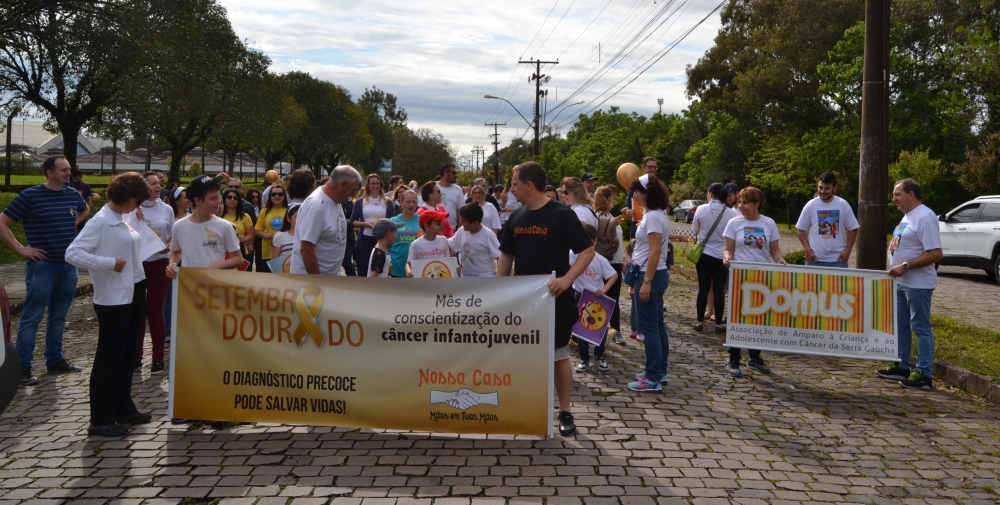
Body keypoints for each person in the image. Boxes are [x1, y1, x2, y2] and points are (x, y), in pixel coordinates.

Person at [498, 161, 594, 436]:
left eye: (514, 183)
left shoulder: (562, 214)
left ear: (529, 185)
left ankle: (565, 411)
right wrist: (498, 289)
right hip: (524, 301)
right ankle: (528, 407)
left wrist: (567, 280)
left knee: (558, 354)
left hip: (555, 299)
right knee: (524, 354)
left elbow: (587, 251)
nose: (511, 189)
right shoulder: (516, 217)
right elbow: (506, 255)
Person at [66, 172, 153, 437]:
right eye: (138, 201)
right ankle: (100, 418)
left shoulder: (122, 217)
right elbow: (73, 253)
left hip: (133, 289)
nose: (138, 206)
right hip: (113, 296)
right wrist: (109, 263)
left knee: (126, 355)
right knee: (109, 358)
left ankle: (122, 406)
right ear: (127, 197)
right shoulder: (101, 221)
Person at [0, 155, 89, 385]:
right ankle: (22, 369)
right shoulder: (30, 196)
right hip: (42, 267)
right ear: (50, 172)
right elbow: (2, 222)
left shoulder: (71, 194)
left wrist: (72, 224)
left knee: (59, 316)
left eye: (69, 169)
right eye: (64, 170)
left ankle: (54, 360)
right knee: (32, 317)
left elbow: (85, 208)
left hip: (68, 265)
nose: (69, 173)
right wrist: (21, 249)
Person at [877, 178, 943, 390]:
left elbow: (935, 253)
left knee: (920, 327)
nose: (894, 198)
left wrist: (905, 265)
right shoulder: (908, 216)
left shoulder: (925, 217)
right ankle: (901, 366)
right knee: (901, 326)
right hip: (901, 282)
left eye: (897, 194)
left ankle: (924, 373)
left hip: (918, 283)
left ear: (911, 194)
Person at [722, 187, 786, 377]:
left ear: (757, 204)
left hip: (762, 279)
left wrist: (780, 261)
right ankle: (734, 359)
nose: (740, 206)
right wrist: (726, 258)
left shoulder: (769, 223)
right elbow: (728, 249)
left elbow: (774, 251)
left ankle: (754, 357)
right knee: (737, 319)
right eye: (739, 202)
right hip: (740, 278)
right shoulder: (733, 223)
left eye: (745, 203)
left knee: (758, 320)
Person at [626, 174, 672, 393]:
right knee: (657, 326)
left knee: (649, 328)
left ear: (647, 193)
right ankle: (658, 371)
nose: (634, 195)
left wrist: (646, 282)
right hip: (655, 273)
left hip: (650, 274)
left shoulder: (653, 216)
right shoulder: (655, 214)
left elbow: (654, 252)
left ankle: (653, 378)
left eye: (637, 191)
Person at [165, 175, 245, 281]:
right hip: (188, 286)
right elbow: (176, 252)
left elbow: (238, 259)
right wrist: (172, 265)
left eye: (219, 197)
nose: (219, 202)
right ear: (197, 201)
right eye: (213, 198)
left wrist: (217, 266)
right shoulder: (179, 226)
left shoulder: (224, 226)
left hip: (214, 286)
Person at [133, 172, 175, 375]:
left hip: (160, 264)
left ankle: (158, 358)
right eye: (153, 184)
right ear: (143, 186)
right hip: (138, 264)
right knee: (139, 312)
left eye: (159, 183)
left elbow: (173, 237)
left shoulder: (167, 209)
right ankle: (136, 357)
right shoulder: (133, 209)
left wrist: (165, 247)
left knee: (155, 310)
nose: (158, 187)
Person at [291, 165, 362, 275]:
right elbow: (306, 250)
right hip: (313, 284)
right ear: (343, 184)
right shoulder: (316, 205)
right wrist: (320, 283)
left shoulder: (335, 201)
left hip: (329, 279)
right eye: (353, 189)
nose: (353, 194)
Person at [572, 223, 619, 374]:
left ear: (595, 241)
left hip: (597, 299)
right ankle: (583, 359)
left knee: (600, 330)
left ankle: (599, 356)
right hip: (579, 296)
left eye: (588, 240)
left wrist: (604, 289)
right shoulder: (572, 255)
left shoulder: (600, 260)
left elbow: (614, 275)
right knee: (581, 330)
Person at [692, 183, 738, 333]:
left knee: (703, 288)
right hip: (722, 255)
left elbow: (695, 231)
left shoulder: (701, 209)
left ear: (711, 193)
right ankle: (718, 324)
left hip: (704, 253)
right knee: (719, 290)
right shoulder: (731, 213)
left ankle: (699, 322)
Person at [796, 172, 860, 268]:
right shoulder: (811, 205)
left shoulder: (843, 205)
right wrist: (807, 249)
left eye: (827, 188)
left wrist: (848, 250)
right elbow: (801, 229)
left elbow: (853, 229)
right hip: (815, 259)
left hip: (838, 260)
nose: (822, 191)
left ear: (835, 188)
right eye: (820, 187)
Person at [594, 186, 626, 345]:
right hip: (607, 262)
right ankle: (606, 330)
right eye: (612, 196)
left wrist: (623, 260)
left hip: (610, 261)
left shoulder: (605, 216)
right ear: (608, 198)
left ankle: (612, 330)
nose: (614, 199)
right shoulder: (601, 217)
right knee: (607, 298)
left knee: (610, 298)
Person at [351, 173, 396, 276]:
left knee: (381, 273)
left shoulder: (387, 202)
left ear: (381, 185)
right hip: (364, 240)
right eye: (372, 183)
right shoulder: (360, 201)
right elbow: (353, 222)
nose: (375, 186)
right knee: (363, 272)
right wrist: (366, 224)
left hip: (381, 242)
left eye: (377, 183)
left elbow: (391, 222)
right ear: (368, 185)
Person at [163, 186, 188, 339]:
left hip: (189, 261)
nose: (188, 200)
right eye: (184, 197)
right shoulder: (171, 218)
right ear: (177, 200)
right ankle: (169, 328)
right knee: (170, 294)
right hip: (172, 260)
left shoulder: (193, 217)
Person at [449, 203, 500, 278]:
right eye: (460, 219)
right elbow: (450, 244)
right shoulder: (461, 231)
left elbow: (499, 256)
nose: (460, 223)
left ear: (475, 222)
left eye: (464, 221)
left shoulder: (489, 235)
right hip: (466, 277)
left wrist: (500, 276)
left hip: (486, 277)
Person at [406, 209, 453, 277]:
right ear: (427, 226)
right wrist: (408, 271)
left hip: (442, 282)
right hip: (424, 283)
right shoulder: (415, 244)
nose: (442, 226)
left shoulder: (444, 240)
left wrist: (455, 268)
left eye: (441, 223)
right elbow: (409, 263)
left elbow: (447, 262)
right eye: (438, 224)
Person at [254, 184, 289, 273]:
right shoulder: (264, 211)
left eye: (280, 194)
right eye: (273, 194)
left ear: (284, 196)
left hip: (285, 251)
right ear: (270, 197)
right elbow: (257, 230)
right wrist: (264, 234)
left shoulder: (289, 210)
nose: (277, 196)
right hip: (268, 251)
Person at [624, 157, 658, 239]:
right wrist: (628, 213)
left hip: (654, 225)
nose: (652, 169)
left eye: (654, 167)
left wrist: (665, 209)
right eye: (649, 167)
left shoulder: (659, 187)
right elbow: (628, 209)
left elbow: (664, 205)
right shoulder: (636, 186)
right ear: (643, 168)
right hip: (638, 225)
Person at [390, 191, 421, 278]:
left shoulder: (423, 221)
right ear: (401, 202)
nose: (411, 204)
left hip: (417, 270)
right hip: (397, 270)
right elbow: (386, 245)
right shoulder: (393, 221)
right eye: (408, 202)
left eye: (414, 202)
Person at [221, 189, 255, 264]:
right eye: (229, 197)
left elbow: (250, 234)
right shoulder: (219, 216)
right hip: (222, 252)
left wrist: (243, 239)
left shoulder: (245, 216)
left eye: (235, 198)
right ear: (224, 199)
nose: (232, 199)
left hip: (241, 251)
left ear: (239, 201)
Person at [436, 163, 464, 229]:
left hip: (452, 230)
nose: (456, 175)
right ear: (446, 173)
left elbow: (461, 211)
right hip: (433, 231)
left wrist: (461, 229)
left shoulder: (458, 189)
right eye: (454, 173)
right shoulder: (432, 187)